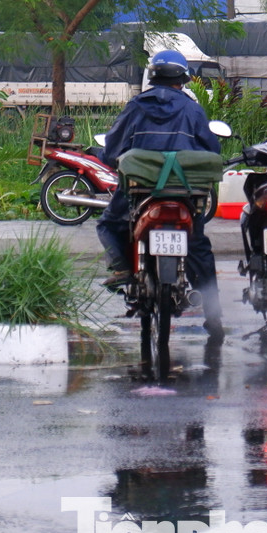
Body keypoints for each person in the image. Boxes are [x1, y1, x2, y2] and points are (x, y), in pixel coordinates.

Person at [96, 49, 224, 336]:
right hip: (185, 194)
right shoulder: (193, 109)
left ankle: (122, 269)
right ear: (183, 78)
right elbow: (212, 149)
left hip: (141, 191)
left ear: (154, 76)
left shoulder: (136, 106)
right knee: (199, 246)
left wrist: (110, 156)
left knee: (109, 223)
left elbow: (114, 147)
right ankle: (214, 316)